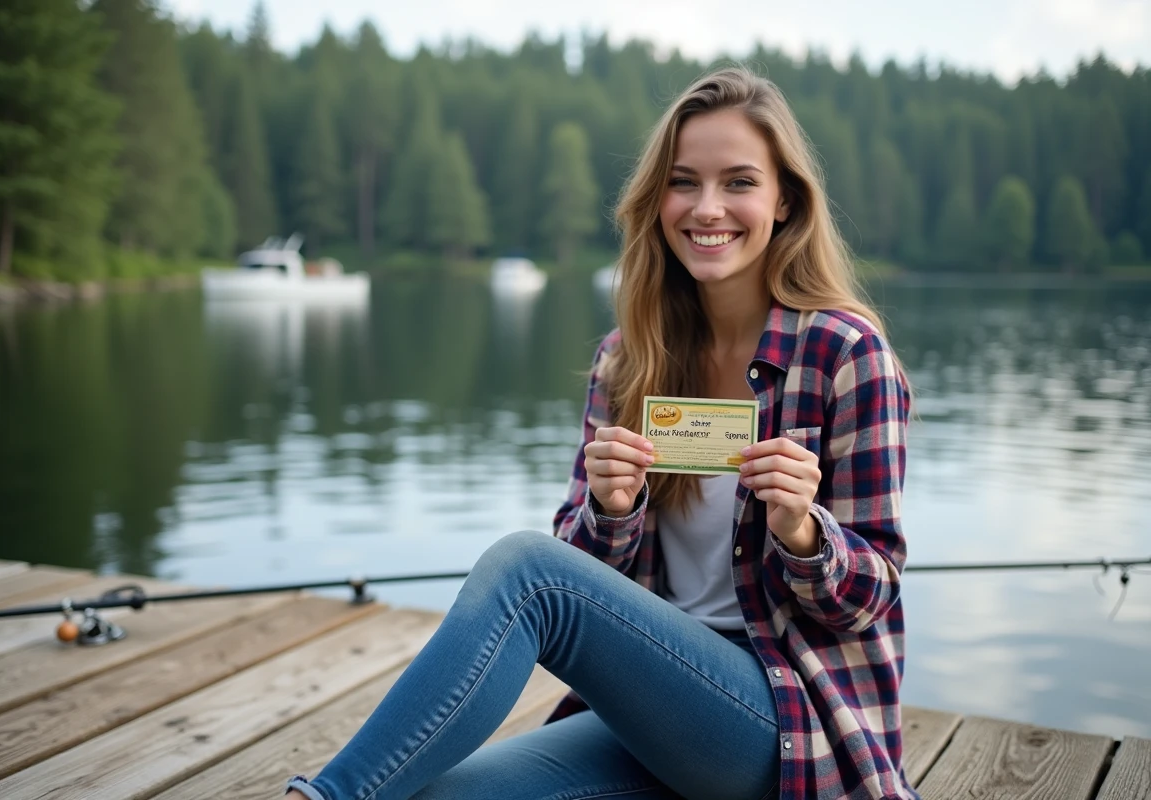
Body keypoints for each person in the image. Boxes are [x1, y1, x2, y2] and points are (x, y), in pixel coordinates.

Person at [284, 65, 914, 800]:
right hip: (651, 713)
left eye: (739, 182)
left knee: (527, 568)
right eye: (685, 182)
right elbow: (589, 588)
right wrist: (611, 514)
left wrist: (804, 535)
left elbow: (874, 595)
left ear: (784, 203)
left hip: (787, 732)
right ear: (657, 201)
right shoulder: (625, 361)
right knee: (431, 793)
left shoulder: (846, 354)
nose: (708, 207)